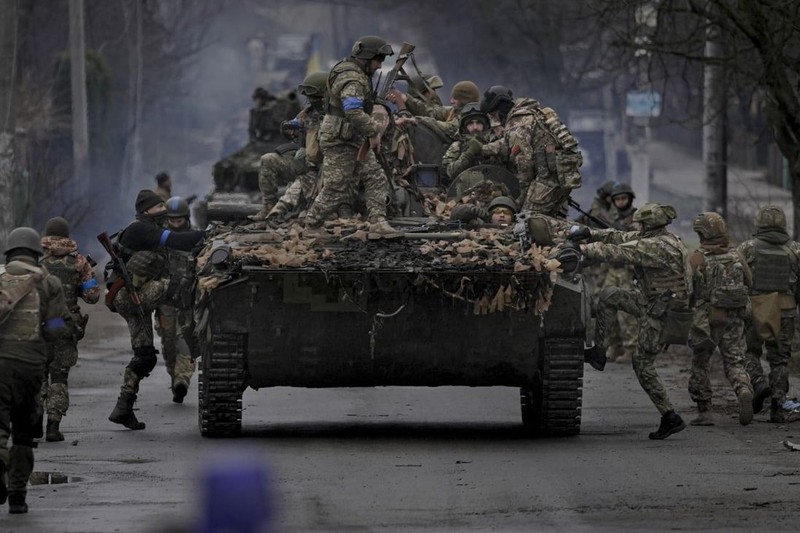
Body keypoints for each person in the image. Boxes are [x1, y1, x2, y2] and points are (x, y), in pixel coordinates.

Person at [570, 203, 691, 439]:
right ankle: (599, 352)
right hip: (650, 300)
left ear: (649, 224)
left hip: (660, 312)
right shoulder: (659, 238)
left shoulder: (656, 247)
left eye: (641, 223)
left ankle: (670, 416)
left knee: (642, 363)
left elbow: (617, 252)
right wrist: (590, 232)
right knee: (609, 296)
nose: (637, 226)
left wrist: (581, 248)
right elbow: (620, 236)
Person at [108, 190, 205, 430]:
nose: (164, 209)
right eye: (159, 206)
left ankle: (123, 407)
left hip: (133, 300)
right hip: (132, 297)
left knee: (145, 357)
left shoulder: (146, 226)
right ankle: (194, 329)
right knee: (177, 284)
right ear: (147, 210)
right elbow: (176, 240)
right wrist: (208, 234)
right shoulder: (141, 229)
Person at [0, 227, 69, 513]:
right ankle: (17, 496)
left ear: (9, 251)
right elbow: (55, 328)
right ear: (36, 253)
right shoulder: (48, 282)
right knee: (25, 434)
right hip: (30, 367)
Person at [303, 36, 397, 233]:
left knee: (375, 177)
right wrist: (373, 131)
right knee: (336, 189)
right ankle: (311, 225)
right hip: (340, 140)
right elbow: (352, 110)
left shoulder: (354, 73)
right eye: (378, 60)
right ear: (366, 58)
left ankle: (378, 222)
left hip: (352, 137)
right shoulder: (352, 78)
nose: (380, 66)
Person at [687, 212, 754, 426]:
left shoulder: (697, 258)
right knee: (734, 360)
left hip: (707, 319)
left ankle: (704, 411)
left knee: (700, 363)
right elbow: (749, 281)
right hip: (736, 316)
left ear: (702, 234)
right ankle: (743, 389)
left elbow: (688, 290)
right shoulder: (736, 255)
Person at [39, 217, 101, 442]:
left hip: (41, 324)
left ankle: (35, 422)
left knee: (38, 374)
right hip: (64, 325)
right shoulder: (79, 262)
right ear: (67, 236)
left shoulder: (37, 262)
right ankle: (53, 427)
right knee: (59, 375)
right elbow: (92, 297)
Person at [736, 205, 800, 423]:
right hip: (786, 309)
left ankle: (758, 383)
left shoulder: (748, 248)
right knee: (780, 359)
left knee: (750, 352)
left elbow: (737, 277)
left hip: (756, 307)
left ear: (759, 223)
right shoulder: (795, 250)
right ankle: (777, 406)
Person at [481, 86, 582, 218]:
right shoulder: (530, 112)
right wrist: (484, 149)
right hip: (562, 173)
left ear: (501, 108)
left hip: (549, 179)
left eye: (494, 115)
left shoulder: (517, 123)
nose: (496, 120)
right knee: (547, 218)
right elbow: (509, 144)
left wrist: (517, 202)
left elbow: (525, 168)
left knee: (527, 219)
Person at [250, 71, 328, 222]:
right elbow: (292, 127)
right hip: (304, 162)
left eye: (315, 97)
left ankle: (302, 209)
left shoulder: (337, 114)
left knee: (303, 165)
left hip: (326, 166)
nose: (311, 100)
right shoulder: (308, 113)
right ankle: (269, 205)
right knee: (268, 159)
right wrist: (288, 128)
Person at [156, 198, 199, 403]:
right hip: (166, 299)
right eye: (171, 219)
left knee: (186, 341)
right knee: (168, 342)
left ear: (186, 218)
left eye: (179, 219)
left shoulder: (196, 237)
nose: (175, 223)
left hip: (187, 301)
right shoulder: (161, 238)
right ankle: (175, 377)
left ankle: (182, 379)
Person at [600, 182, 639, 363]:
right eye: (617, 199)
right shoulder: (613, 219)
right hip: (613, 269)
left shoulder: (638, 219)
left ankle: (632, 349)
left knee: (627, 312)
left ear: (630, 199)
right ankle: (614, 346)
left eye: (624, 198)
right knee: (607, 307)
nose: (621, 202)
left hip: (628, 270)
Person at [442, 102, 506, 183]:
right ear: (464, 127)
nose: (475, 127)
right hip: (465, 190)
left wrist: (487, 151)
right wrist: (469, 153)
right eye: (470, 123)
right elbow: (450, 172)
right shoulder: (457, 146)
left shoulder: (496, 143)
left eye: (479, 122)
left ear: (485, 125)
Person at [451, 196, 518, 228]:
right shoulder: (480, 224)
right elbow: (454, 216)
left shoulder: (518, 230)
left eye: (507, 212)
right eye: (497, 211)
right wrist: (469, 210)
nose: (502, 215)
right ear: (490, 215)